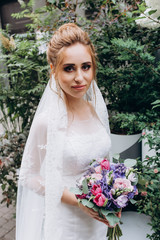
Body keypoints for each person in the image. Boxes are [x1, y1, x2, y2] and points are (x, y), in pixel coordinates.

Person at [16, 23, 112, 240]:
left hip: (97, 218)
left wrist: (115, 195)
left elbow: (104, 162)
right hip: (67, 222)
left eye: (85, 66)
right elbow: (29, 176)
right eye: (69, 68)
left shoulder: (95, 110)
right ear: (53, 70)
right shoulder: (46, 122)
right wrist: (78, 200)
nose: (80, 77)